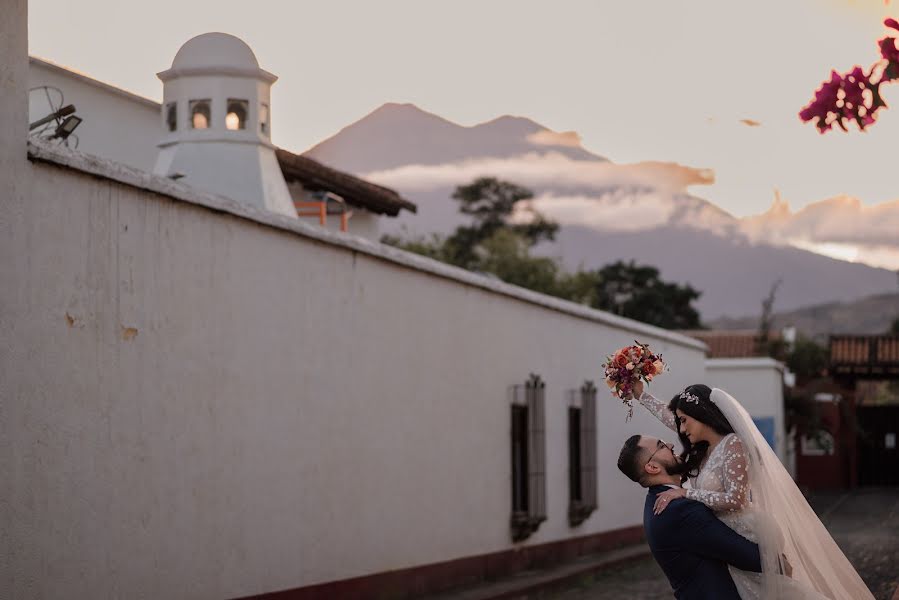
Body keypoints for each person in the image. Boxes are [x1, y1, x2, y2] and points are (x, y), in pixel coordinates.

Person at [633, 381, 873, 599]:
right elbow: (670, 417)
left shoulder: (733, 444)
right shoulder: (703, 449)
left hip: (745, 531)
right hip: (726, 537)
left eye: (684, 420)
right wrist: (640, 394)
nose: (681, 429)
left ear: (701, 415)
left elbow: (735, 499)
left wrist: (687, 493)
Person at [617, 433, 762, 599]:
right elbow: (750, 557)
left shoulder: (658, 500)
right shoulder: (678, 510)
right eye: (662, 445)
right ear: (653, 467)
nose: (671, 445)